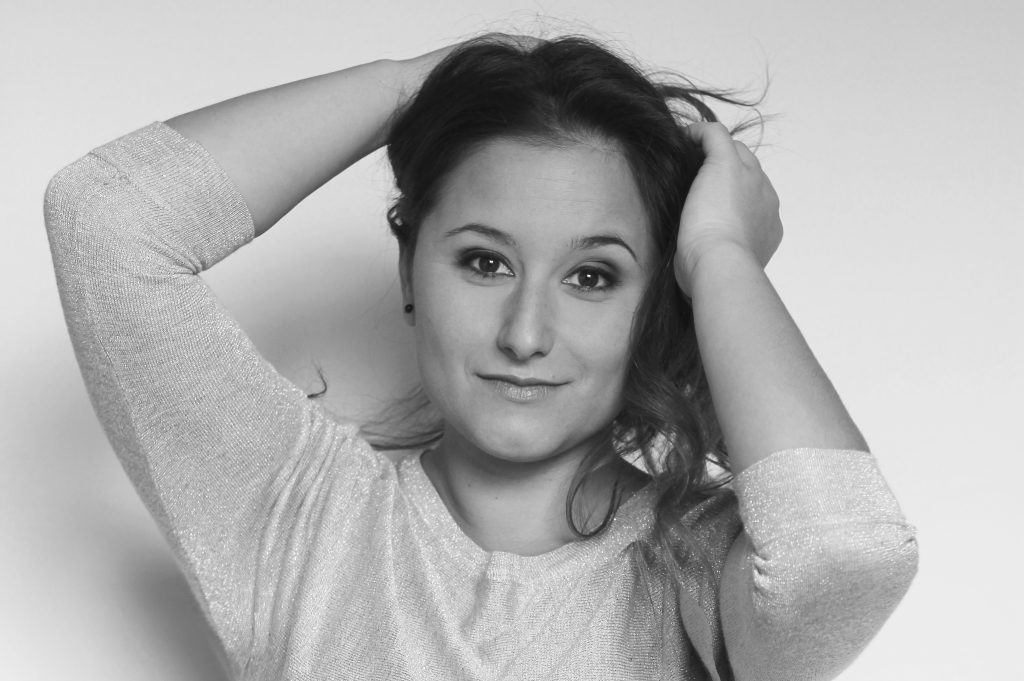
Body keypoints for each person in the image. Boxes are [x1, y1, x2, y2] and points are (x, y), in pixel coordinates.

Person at [44, 33, 918, 681]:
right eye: (484, 262)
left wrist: (721, 255)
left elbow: (846, 555)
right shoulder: (299, 521)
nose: (525, 333)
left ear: (657, 301)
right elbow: (104, 221)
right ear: (410, 270)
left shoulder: (696, 566)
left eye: (592, 276)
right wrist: (424, 84)